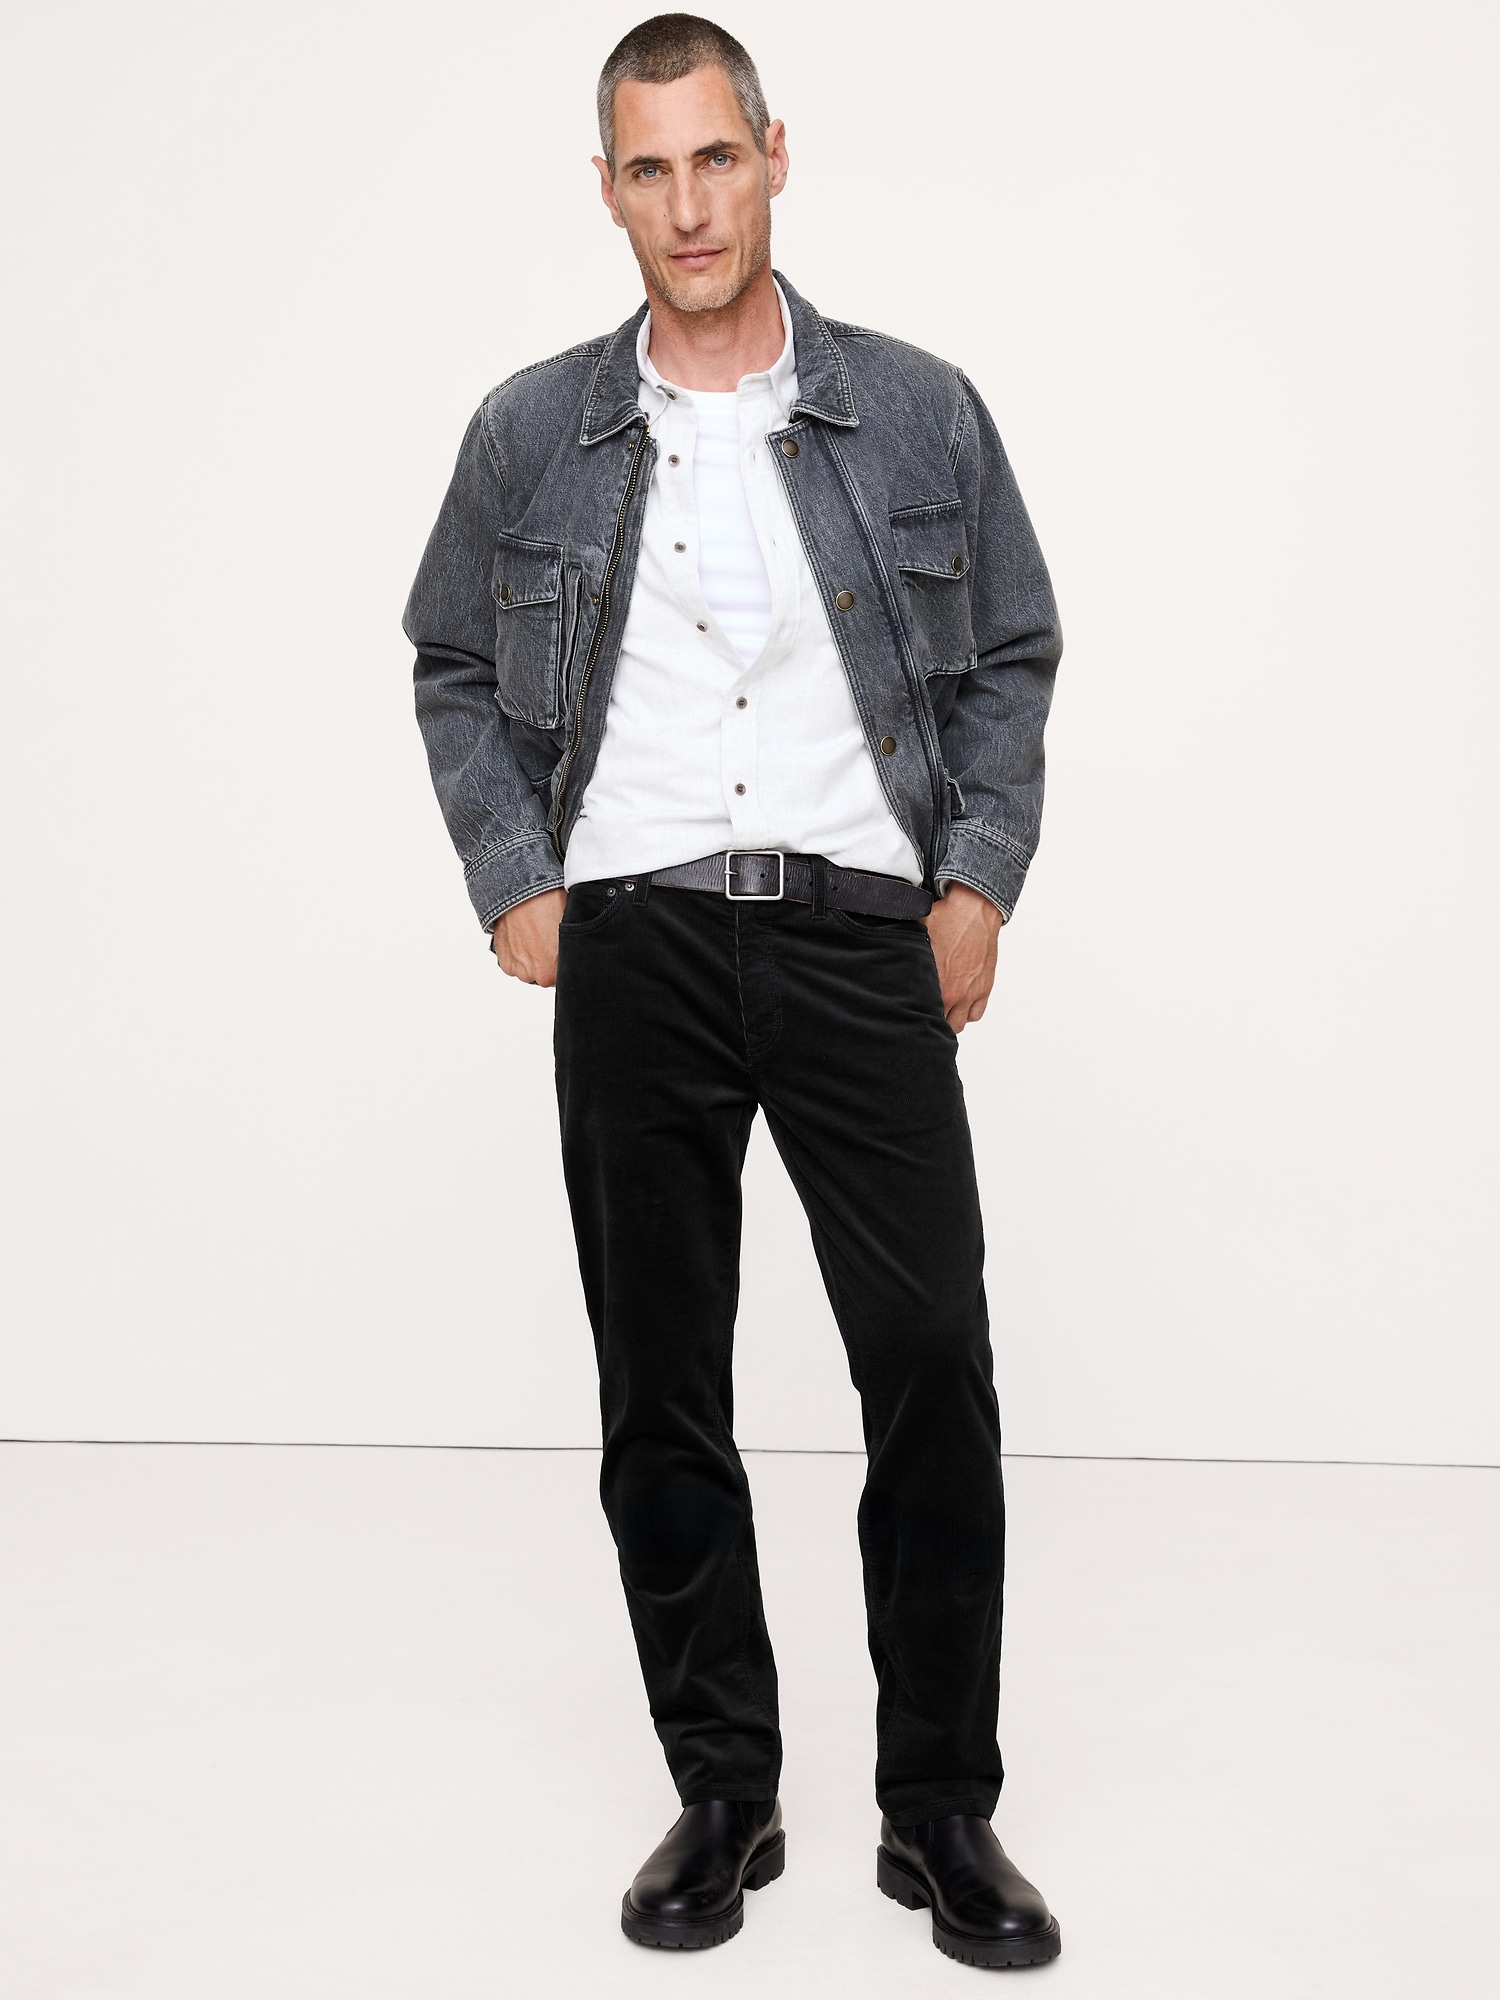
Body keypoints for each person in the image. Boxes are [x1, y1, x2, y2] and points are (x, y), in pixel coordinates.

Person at [404, 12, 1063, 1969]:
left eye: (715, 158)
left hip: (862, 929)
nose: (688, 205)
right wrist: (518, 878)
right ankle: (724, 1788)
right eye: (649, 169)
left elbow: (1011, 651)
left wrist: (975, 880)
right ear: (607, 190)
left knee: (929, 1360)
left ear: (776, 155)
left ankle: (939, 1809)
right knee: (660, 1383)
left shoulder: (920, 409)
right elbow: (453, 660)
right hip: (640, 942)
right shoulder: (530, 429)